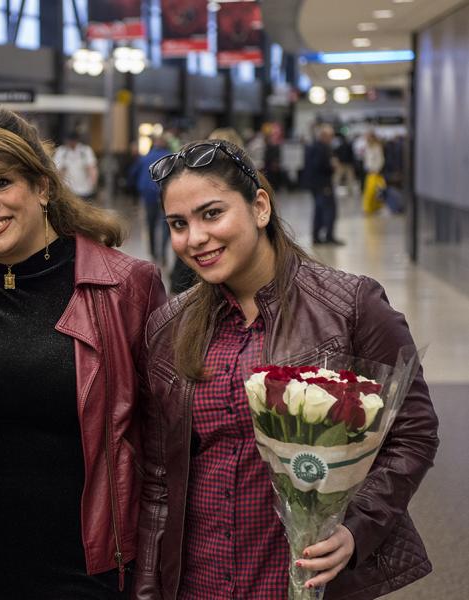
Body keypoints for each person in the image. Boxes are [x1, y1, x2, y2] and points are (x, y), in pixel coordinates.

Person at [134, 139, 439, 599]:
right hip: (200, 578)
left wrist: (356, 529)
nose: (194, 238)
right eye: (179, 224)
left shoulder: (350, 306)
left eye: (212, 214)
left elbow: (413, 431)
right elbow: (159, 476)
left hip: (300, 577)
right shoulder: (168, 328)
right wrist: (148, 589)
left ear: (260, 207)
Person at [0, 109, 166, 598]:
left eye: (0, 183)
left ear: (44, 187)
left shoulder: (124, 287)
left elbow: (163, 442)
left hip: (89, 569)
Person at [128, 134, 173, 265]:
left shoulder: (145, 157)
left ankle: (153, 253)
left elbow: (133, 173)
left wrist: (134, 187)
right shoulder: (170, 156)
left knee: (151, 224)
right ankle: (163, 252)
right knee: (166, 225)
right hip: (165, 194)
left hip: (148, 195)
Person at [303, 124, 343, 245]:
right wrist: (332, 166)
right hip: (323, 184)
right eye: (330, 136)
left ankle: (317, 236)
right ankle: (328, 236)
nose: (332, 139)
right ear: (324, 136)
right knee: (329, 210)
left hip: (316, 184)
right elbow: (319, 166)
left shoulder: (314, 146)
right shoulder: (322, 148)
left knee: (319, 210)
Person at [54, 130, 99, 201]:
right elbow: (57, 170)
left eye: (73, 140)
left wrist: (94, 184)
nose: (72, 143)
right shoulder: (61, 151)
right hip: (68, 191)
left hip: (84, 190)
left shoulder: (85, 151)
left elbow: (92, 168)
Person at [361, 131, 386, 214]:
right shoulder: (367, 147)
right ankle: (368, 208)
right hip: (369, 171)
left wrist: (377, 169)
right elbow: (366, 160)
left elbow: (380, 160)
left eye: (368, 137)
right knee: (369, 191)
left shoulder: (377, 147)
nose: (367, 139)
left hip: (375, 172)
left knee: (374, 191)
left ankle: (374, 207)